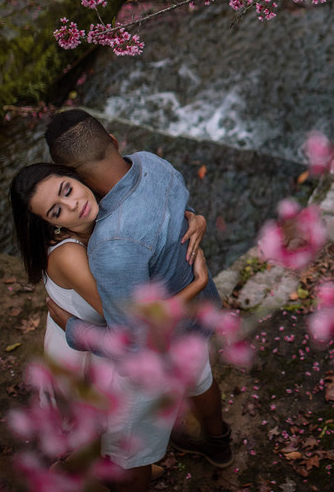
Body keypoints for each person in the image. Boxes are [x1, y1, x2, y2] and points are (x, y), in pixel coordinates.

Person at [42, 110, 233, 492]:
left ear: (70, 174)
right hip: (196, 317)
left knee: (128, 450)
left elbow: (130, 343)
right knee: (200, 378)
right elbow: (175, 217)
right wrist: (196, 219)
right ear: (113, 140)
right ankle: (218, 444)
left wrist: (73, 329)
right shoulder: (153, 163)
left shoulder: (110, 245)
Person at [9, 163, 211, 484]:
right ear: (51, 224)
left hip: (100, 333)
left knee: (106, 422)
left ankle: (105, 467)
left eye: (67, 190)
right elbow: (130, 321)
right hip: (84, 345)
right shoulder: (69, 256)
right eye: (57, 211)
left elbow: (157, 206)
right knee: (98, 422)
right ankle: (72, 470)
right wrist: (195, 286)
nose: (73, 205)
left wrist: (194, 218)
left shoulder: (98, 206)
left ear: (76, 178)